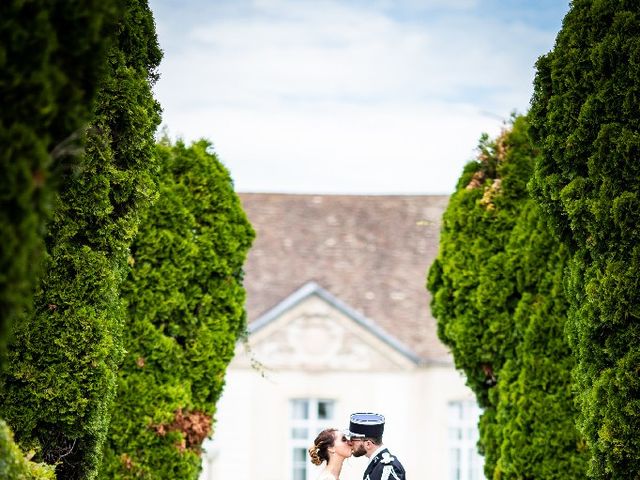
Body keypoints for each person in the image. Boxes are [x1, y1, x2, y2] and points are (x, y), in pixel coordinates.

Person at [346, 412, 406, 480]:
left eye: (353, 439)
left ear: (368, 444)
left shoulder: (387, 467)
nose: (350, 443)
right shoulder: (378, 464)